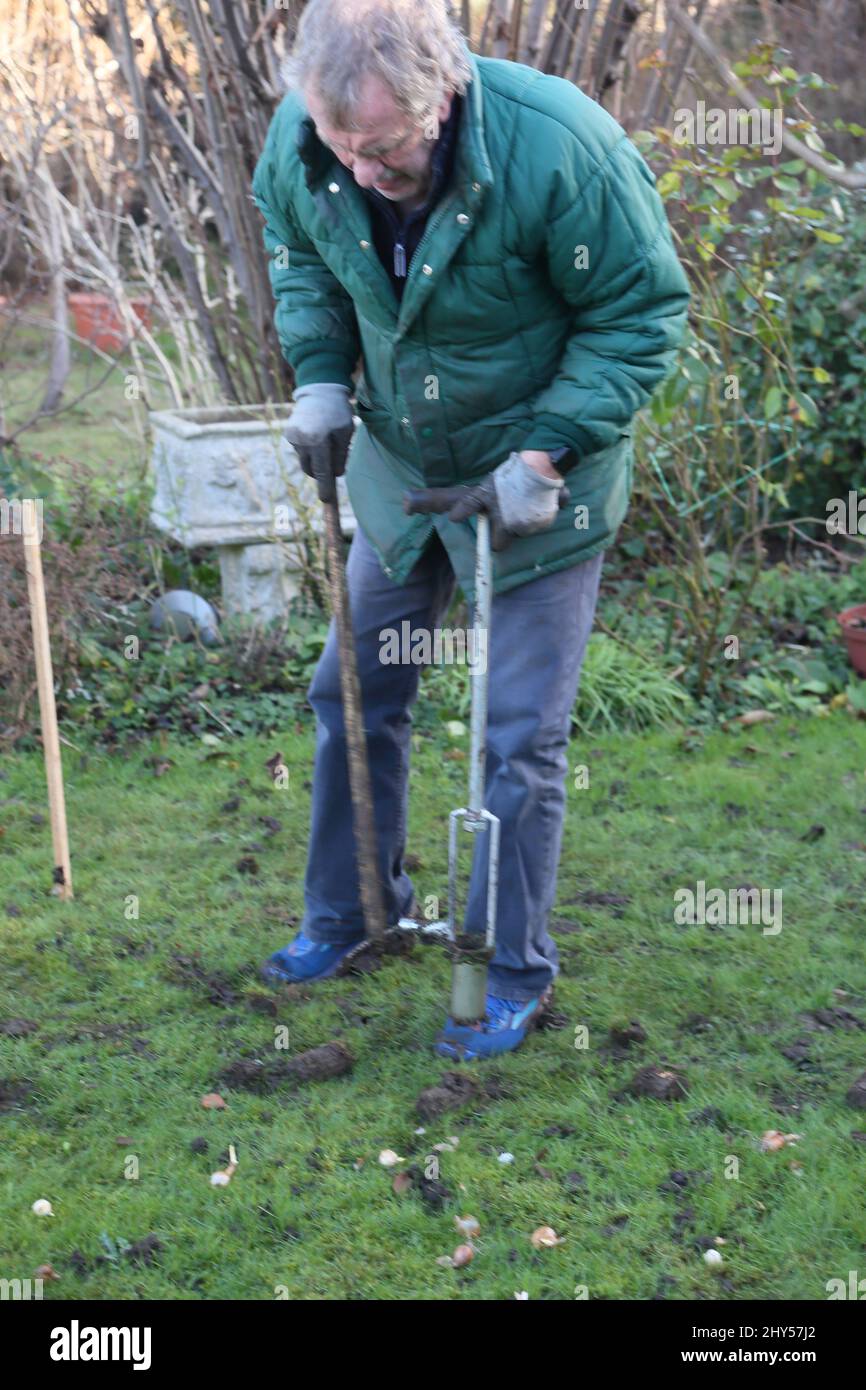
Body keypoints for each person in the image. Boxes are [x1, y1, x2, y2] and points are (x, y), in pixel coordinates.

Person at [251, 0, 690, 1058]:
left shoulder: (561, 147)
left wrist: (544, 453)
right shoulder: (311, 138)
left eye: (385, 147)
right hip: (404, 468)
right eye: (342, 148)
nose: (361, 171)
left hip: (539, 481)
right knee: (350, 692)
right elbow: (299, 253)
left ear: (440, 95)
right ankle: (356, 912)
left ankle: (507, 968)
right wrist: (317, 379)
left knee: (515, 737)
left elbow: (639, 314)